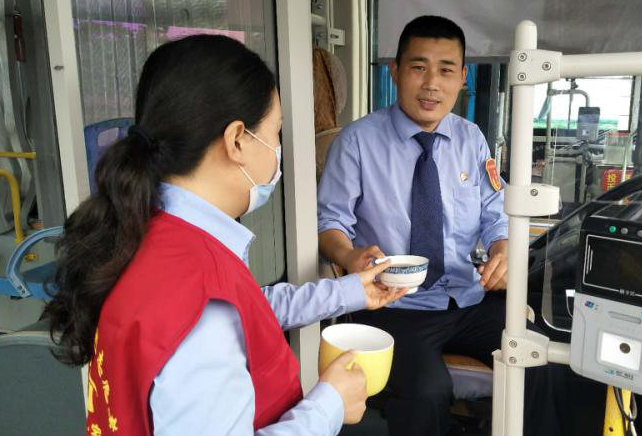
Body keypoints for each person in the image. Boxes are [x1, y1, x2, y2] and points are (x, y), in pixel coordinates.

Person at [45, 35, 407, 436]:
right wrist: (330, 403)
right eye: (276, 131)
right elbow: (216, 319)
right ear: (237, 140)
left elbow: (250, 309)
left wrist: (353, 290)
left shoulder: (145, 231)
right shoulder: (200, 290)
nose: (278, 149)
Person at [317, 15, 563, 436]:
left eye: (446, 70)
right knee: (427, 390)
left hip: (467, 296)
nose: (431, 83)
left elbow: (494, 210)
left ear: (462, 77)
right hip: (394, 304)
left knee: (541, 358)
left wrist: (502, 247)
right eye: (418, 67)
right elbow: (329, 222)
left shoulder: (471, 139)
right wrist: (349, 255)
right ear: (395, 71)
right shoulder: (357, 142)